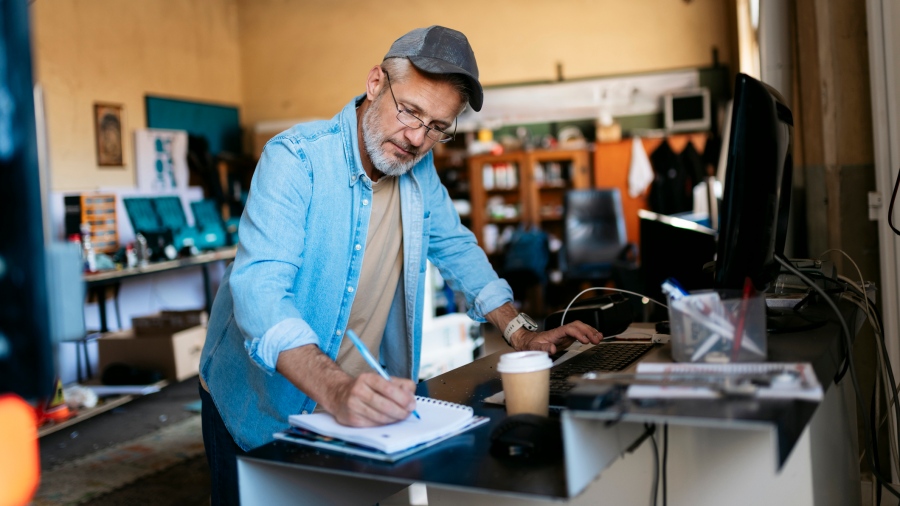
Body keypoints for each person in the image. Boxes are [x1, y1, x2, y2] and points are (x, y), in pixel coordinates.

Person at [198, 25, 602, 504]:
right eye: (409, 111)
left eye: (437, 127)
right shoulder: (296, 159)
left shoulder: (418, 170)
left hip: (351, 406)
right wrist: (336, 389)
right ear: (375, 83)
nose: (416, 138)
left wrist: (520, 330)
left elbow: (455, 247)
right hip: (259, 403)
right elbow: (259, 292)